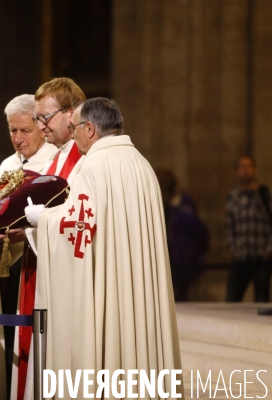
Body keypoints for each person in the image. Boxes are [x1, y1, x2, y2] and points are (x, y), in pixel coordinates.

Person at [25, 98, 182, 399]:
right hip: (137, 286)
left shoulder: (93, 165)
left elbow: (78, 227)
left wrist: (41, 218)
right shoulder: (142, 164)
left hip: (109, 285)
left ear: (90, 128)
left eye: (73, 128)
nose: (72, 136)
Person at [0, 94, 58, 400]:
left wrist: (29, 231)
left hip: (36, 264)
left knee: (30, 339)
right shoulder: (7, 164)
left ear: (39, 126)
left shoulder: (54, 161)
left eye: (24, 130)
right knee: (4, 334)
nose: (18, 139)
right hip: (4, 261)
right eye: (13, 131)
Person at [224, 155, 272, 302]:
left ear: (254, 169)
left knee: (261, 298)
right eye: (241, 167)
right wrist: (234, 248)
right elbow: (228, 225)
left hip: (261, 257)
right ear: (237, 171)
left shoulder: (267, 195)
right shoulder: (233, 196)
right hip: (241, 256)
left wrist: (269, 249)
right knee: (232, 298)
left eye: (248, 166)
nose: (245, 170)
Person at [156, 169, 209, 301]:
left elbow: (199, 230)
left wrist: (177, 209)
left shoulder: (182, 204)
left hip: (182, 260)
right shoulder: (154, 204)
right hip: (162, 259)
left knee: (181, 299)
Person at [34, 77, 86, 185]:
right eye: (38, 119)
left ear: (71, 113)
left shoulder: (87, 155)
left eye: (45, 117)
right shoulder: (53, 159)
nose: (40, 127)